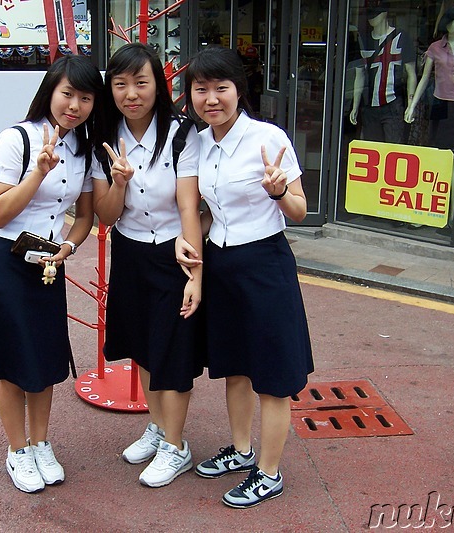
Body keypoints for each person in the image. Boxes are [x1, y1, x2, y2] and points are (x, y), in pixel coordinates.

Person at [179, 45, 314, 509]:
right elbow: (194, 205)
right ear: (191, 95)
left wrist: (278, 192)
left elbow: (297, 211)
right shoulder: (198, 143)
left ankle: (270, 472)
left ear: (239, 90)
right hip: (221, 262)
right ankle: (241, 451)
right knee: (233, 366)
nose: (211, 98)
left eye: (221, 87)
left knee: (273, 374)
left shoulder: (268, 138)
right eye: (201, 89)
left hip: (265, 264)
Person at [0, 55, 102, 493]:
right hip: (5, 259)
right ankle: (17, 450)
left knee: (44, 359)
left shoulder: (82, 149)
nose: (75, 105)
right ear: (50, 91)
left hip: (46, 262)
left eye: (85, 97)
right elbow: (0, 211)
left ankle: (42, 443)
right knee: (11, 361)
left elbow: (85, 217)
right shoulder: (16, 139)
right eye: (68, 93)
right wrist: (37, 172)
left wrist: (69, 247)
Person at [91, 43, 205, 488]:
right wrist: (118, 181)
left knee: (173, 352)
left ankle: (177, 446)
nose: (131, 93)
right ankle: (158, 429)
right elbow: (106, 215)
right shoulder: (106, 136)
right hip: (131, 251)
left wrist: (195, 274)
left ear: (159, 85)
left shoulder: (181, 134)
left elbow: (189, 206)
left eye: (141, 82)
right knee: (142, 344)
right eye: (120, 84)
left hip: (174, 254)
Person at [405, 3, 454, 225]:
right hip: (440, 104)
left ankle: (453, 214)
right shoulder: (436, 48)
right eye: (449, 20)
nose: (452, 24)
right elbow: (425, 78)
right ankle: (431, 212)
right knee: (439, 160)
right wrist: (412, 105)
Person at [349, 0, 417, 144]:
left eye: (376, 13)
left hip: (393, 104)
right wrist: (355, 106)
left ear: (385, 13)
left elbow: (411, 73)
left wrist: (411, 105)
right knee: (372, 149)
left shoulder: (401, 38)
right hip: (369, 106)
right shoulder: (364, 41)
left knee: (393, 149)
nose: (372, 18)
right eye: (370, 14)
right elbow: (359, 75)